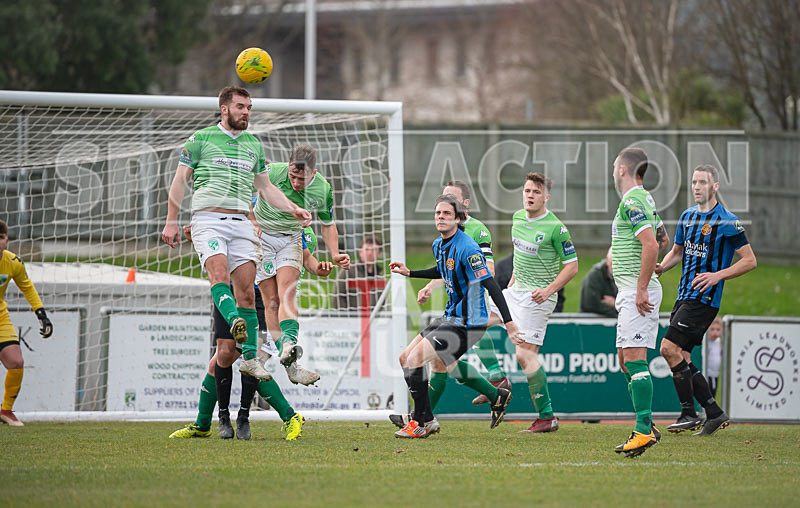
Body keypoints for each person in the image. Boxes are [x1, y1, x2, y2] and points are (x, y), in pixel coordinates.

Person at [161, 86, 311, 437]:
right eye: (241, 106)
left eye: (249, 107)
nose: (247, 112)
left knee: (246, 297)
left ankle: (210, 417)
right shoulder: (200, 139)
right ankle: (241, 339)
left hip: (243, 222)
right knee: (218, 273)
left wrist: (292, 208)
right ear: (224, 108)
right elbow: (179, 181)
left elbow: (265, 188)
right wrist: (171, 219)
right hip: (208, 218)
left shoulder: (254, 145)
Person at [169, 226, 329, 440]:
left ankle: (270, 417)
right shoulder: (243, 210)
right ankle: (206, 423)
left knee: (255, 364)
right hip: (233, 295)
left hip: (264, 302)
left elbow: (307, 257)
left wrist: (321, 266)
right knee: (221, 358)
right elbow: (220, 245)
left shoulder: (289, 220)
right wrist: (195, 236)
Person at [389, 194, 520, 438]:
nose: (441, 217)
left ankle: (420, 421)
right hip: (451, 317)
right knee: (405, 357)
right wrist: (410, 273)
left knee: (416, 359)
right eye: (438, 213)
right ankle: (492, 397)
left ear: (458, 219)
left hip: (469, 323)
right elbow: (442, 269)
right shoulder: (439, 244)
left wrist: (509, 321)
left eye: (447, 213)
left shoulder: (468, 247)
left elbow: (490, 284)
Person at [656, 164, 756, 435]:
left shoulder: (727, 221)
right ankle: (714, 413)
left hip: (704, 299)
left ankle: (688, 413)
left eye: (702, 182)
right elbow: (677, 252)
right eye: (694, 182)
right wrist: (661, 267)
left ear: (715, 186)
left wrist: (717, 276)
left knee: (668, 348)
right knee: (682, 355)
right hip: (683, 296)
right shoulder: (687, 217)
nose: (697, 187)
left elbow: (750, 260)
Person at [489, 173, 578, 433]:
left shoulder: (556, 228)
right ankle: (496, 380)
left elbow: (572, 266)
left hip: (538, 297)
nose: (530, 195)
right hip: (515, 292)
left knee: (524, 354)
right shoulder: (517, 218)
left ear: (546, 197)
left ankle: (547, 416)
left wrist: (549, 290)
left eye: (536, 192)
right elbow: (520, 254)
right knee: (473, 322)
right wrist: (513, 281)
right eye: (527, 190)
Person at [252, 144, 350, 371]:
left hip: (291, 239)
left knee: (288, 291)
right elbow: (241, 192)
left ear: (313, 173)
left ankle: (289, 343)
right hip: (261, 239)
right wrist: (251, 221)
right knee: (272, 301)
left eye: (302, 179)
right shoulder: (271, 172)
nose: (296, 183)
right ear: (287, 167)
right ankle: (284, 354)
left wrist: (335, 254)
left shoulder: (323, 190)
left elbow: (328, 224)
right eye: (293, 176)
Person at [416, 181, 510, 407]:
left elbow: (489, 270)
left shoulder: (477, 230)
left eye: (452, 199)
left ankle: (422, 417)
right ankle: (496, 388)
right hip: (455, 308)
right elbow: (447, 269)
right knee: (444, 362)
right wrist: (430, 286)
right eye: (443, 197)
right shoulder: (446, 230)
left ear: (465, 204)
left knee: (443, 361)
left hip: (470, 306)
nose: (445, 202)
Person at [610, 148, 664, 458]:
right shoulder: (645, 198)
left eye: (614, 165)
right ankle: (649, 425)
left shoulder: (632, 201)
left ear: (622, 170)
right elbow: (661, 237)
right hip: (631, 289)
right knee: (623, 360)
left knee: (634, 359)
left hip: (636, 292)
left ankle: (643, 430)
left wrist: (642, 287)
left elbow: (652, 244)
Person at [0, 220, 53, 427]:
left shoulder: (13, 262)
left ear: (6, 240)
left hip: (1, 318)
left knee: (16, 362)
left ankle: (6, 410)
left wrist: (42, 315)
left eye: (1, 238)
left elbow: (27, 288)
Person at [334, 236, 384, 310]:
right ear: (360, 252)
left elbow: (383, 303)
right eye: (366, 249)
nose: (370, 253)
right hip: (351, 319)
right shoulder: (348, 271)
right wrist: (346, 318)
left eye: (374, 250)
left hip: (373, 320)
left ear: (379, 253)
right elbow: (338, 297)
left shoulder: (380, 277)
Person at [579, 248, 618, 317]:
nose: (615, 266)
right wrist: (619, 309)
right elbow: (591, 306)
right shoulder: (594, 276)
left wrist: (615, 304)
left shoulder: (627, 276)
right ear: (607, 260)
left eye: (618, 263)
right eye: (613, 262)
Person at [705, 317, 723, 398]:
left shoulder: (719, 342)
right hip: (706, 374)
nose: (715, 332)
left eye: (718, 329)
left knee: (713, 395)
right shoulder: (706, 342)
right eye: (712, 329)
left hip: (715, 374)